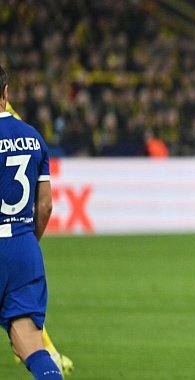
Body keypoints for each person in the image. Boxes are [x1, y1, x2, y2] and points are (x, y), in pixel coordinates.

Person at [0, 65, 64, 379]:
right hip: (24, 247)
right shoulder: (33, 137)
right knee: (29, 343)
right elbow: (47, 205)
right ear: (6, 93)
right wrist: (26, 240)